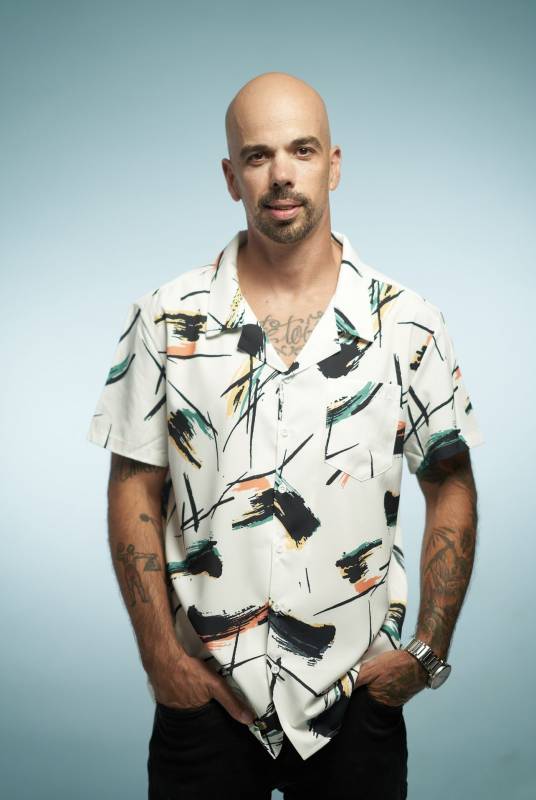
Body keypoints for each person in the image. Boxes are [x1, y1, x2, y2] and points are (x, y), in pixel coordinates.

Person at [86, 71, 485, 800]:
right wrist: (161, 663)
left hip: (356, 698)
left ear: (334, 164)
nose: (281, 174)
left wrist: (425, 654)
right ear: (230, 176)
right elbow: (133, 487)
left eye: (302, 150)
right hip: (204, 694)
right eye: (258, 155)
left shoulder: (408, 324)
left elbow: (450, 482)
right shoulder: (165, 319)